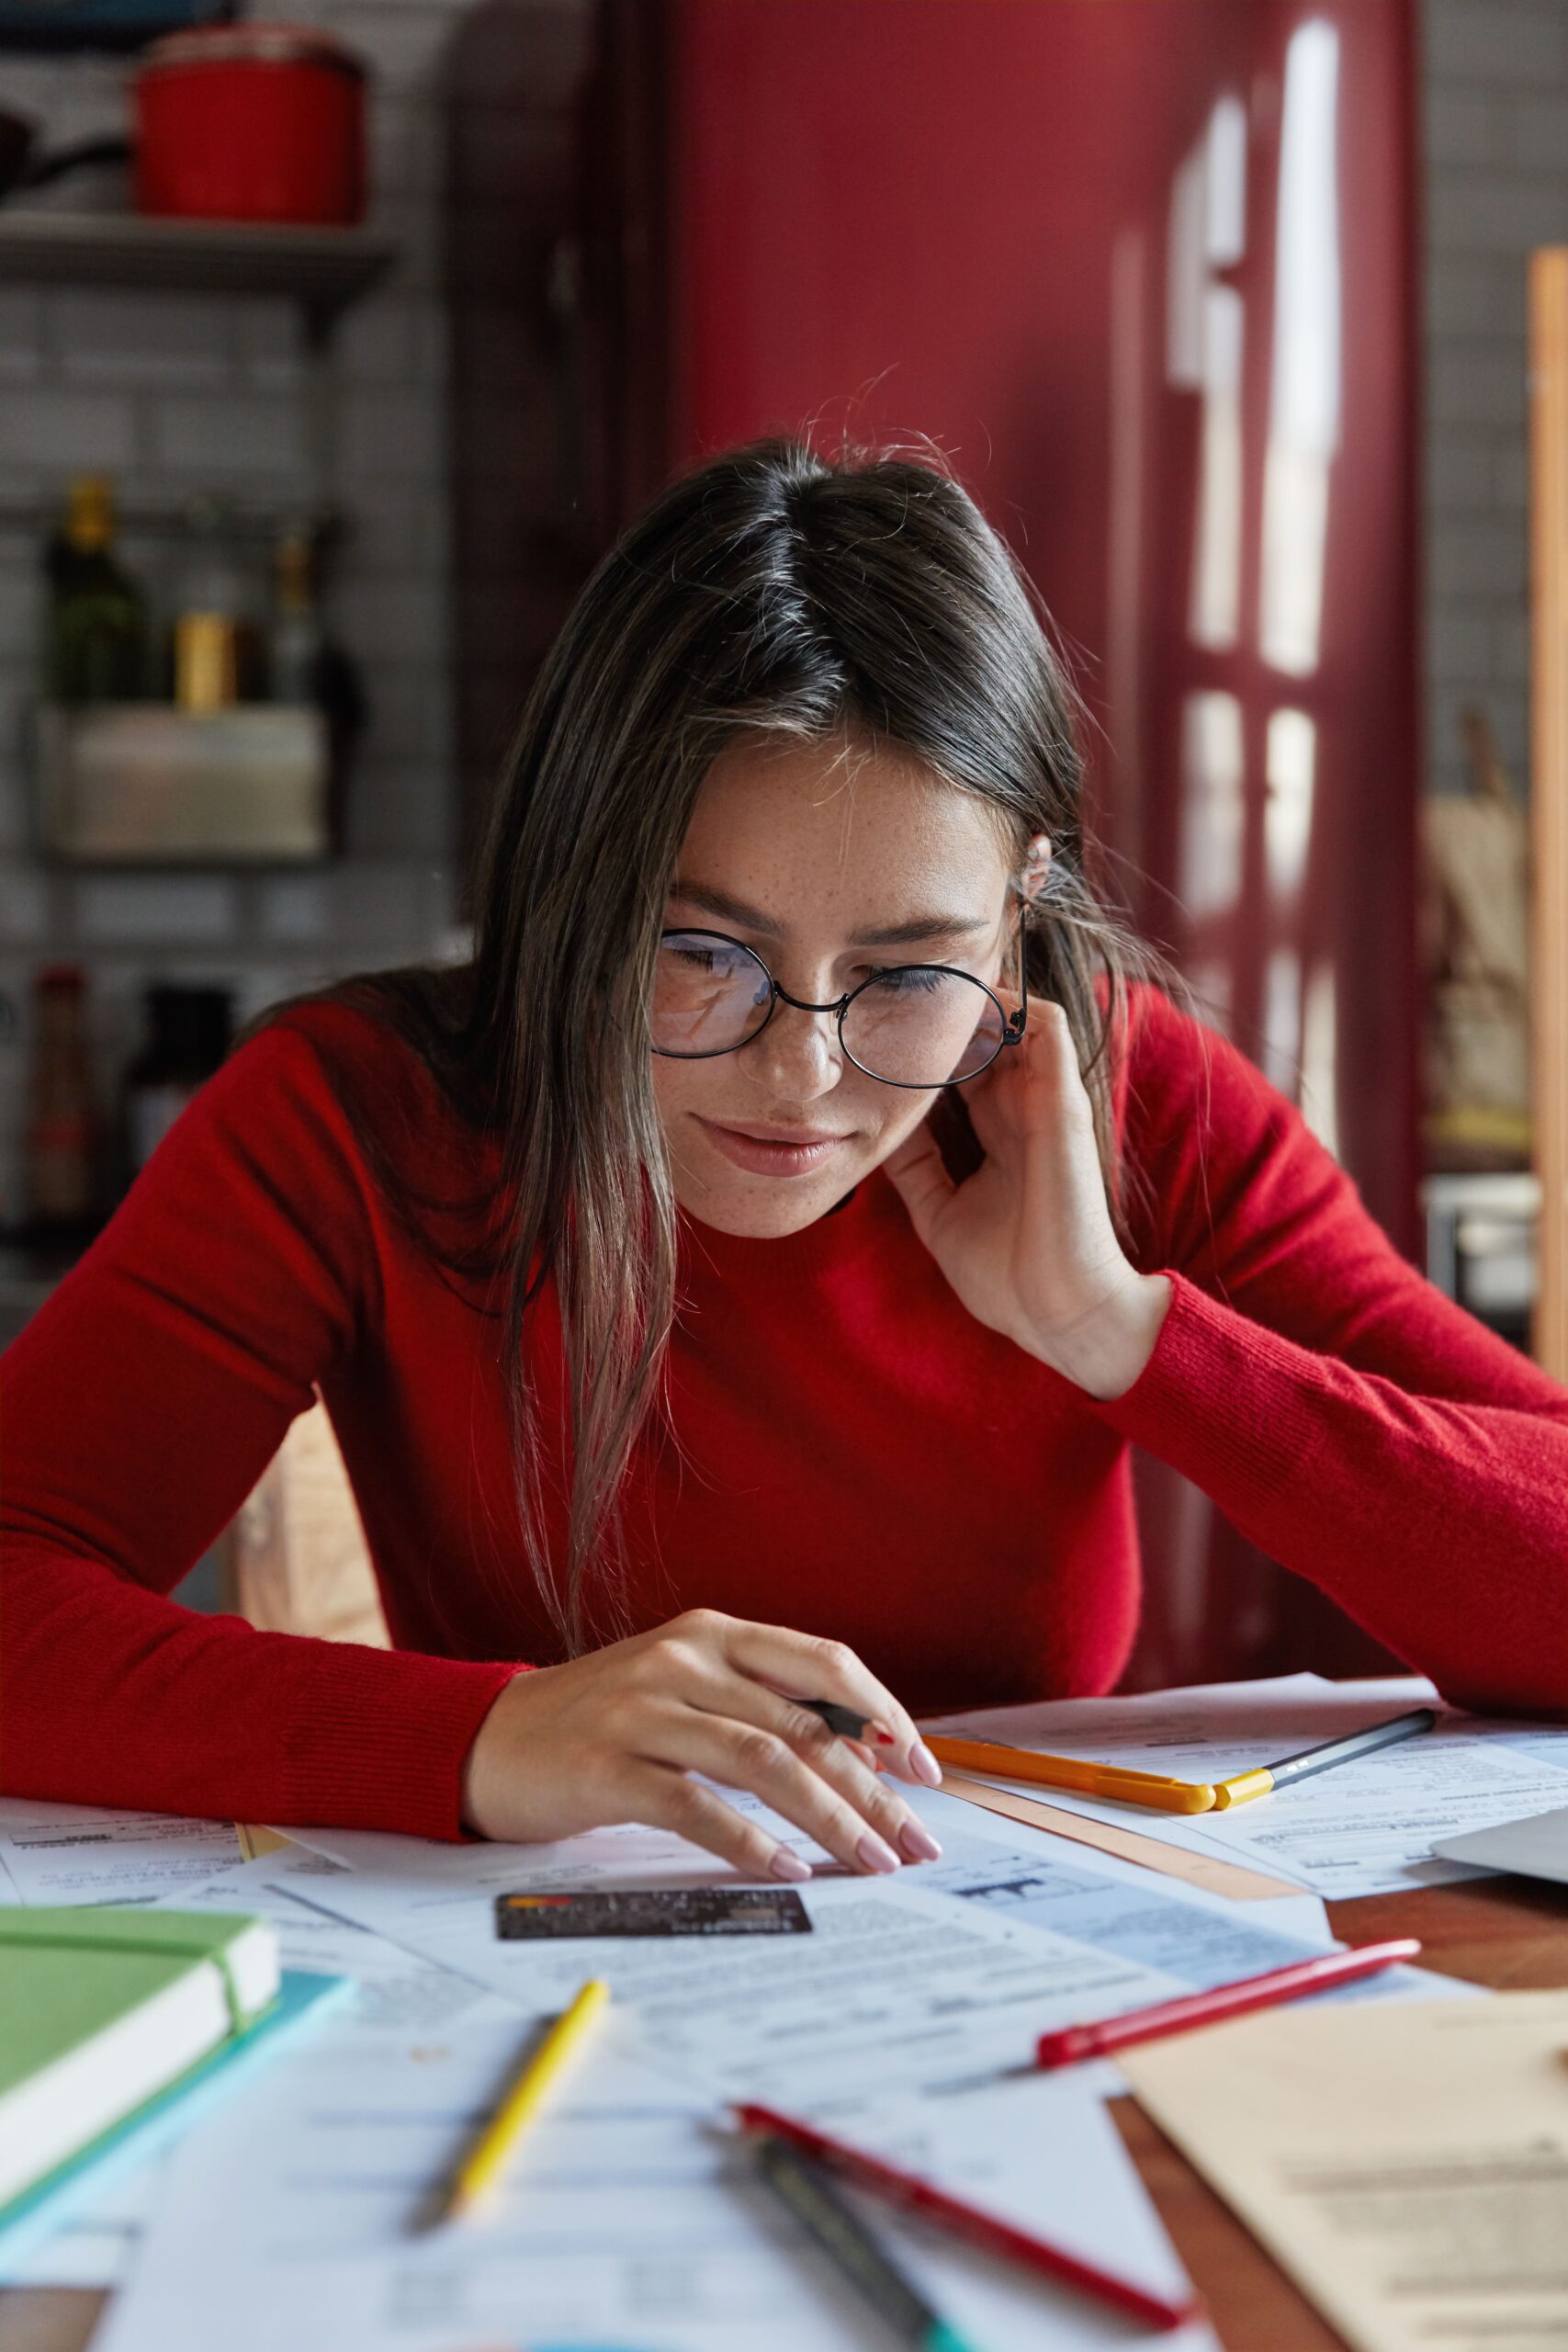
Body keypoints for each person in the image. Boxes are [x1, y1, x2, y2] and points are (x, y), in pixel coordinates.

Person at [4, 442, 1564, 1884]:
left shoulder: (1115, 1095)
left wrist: (1122, 1330)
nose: (800, 1074)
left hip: (1027, 1967)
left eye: (906, 971)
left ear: (1022, 905)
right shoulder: (354, 1119)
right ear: (575, 888)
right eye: (703, 951)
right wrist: (483, 1734)